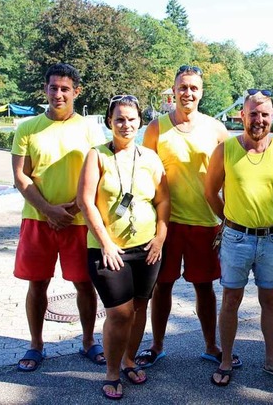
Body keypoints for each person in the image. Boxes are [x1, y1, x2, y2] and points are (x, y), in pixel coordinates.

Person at [137, 65, 234, 369]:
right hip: (165, 223)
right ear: (174, 90)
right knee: (161, 286)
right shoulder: (156, 128)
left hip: (205, 222)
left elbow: (230, 177)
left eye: (193, 88)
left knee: (204, 286)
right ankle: (156, 345)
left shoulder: (216, 129)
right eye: (183, 87)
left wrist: (227, 217)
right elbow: (143, 173)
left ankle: (211, 346)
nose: (187, 93)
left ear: (201, 92)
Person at [11, 63, 105, 372]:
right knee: (37, 284)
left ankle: (89, 341)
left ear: (76, 92)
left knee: (84, 284)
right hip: (38, 219)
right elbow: (21, 177)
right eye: (53, 87)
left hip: (78, 221)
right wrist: (49, 210)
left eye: (65, 88)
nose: (58, 94)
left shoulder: (90, 129)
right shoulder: (27, 128)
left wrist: (75, 207)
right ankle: (36, 344)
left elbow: (100, 174)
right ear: (46, 89)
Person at [77, 95, 170, 399]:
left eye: (131, 119)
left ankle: (129, 359)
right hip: (108, 249)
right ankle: (112, 371)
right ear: (109, 122)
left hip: (147, 248)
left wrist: (160, 237)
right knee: (119, 313)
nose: (126, 124)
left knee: (140, 306)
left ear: (140, 122)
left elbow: (163, 199)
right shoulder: (97, 155)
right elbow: (85, 201)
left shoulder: (150, 158)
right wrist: (106, 243)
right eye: (119, 119)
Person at [205, 89, 273, 386]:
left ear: (272, 117)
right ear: (242, 115)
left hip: (270, 239)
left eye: (265, 114)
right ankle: (227, 359)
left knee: (270, 300)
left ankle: (272, 359)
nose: (259, 120)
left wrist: (264, 215)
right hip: (235, 238)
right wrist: (230, 219)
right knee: (230, 299)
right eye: (253, 114)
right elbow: (210, 192)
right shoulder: (226, 150)